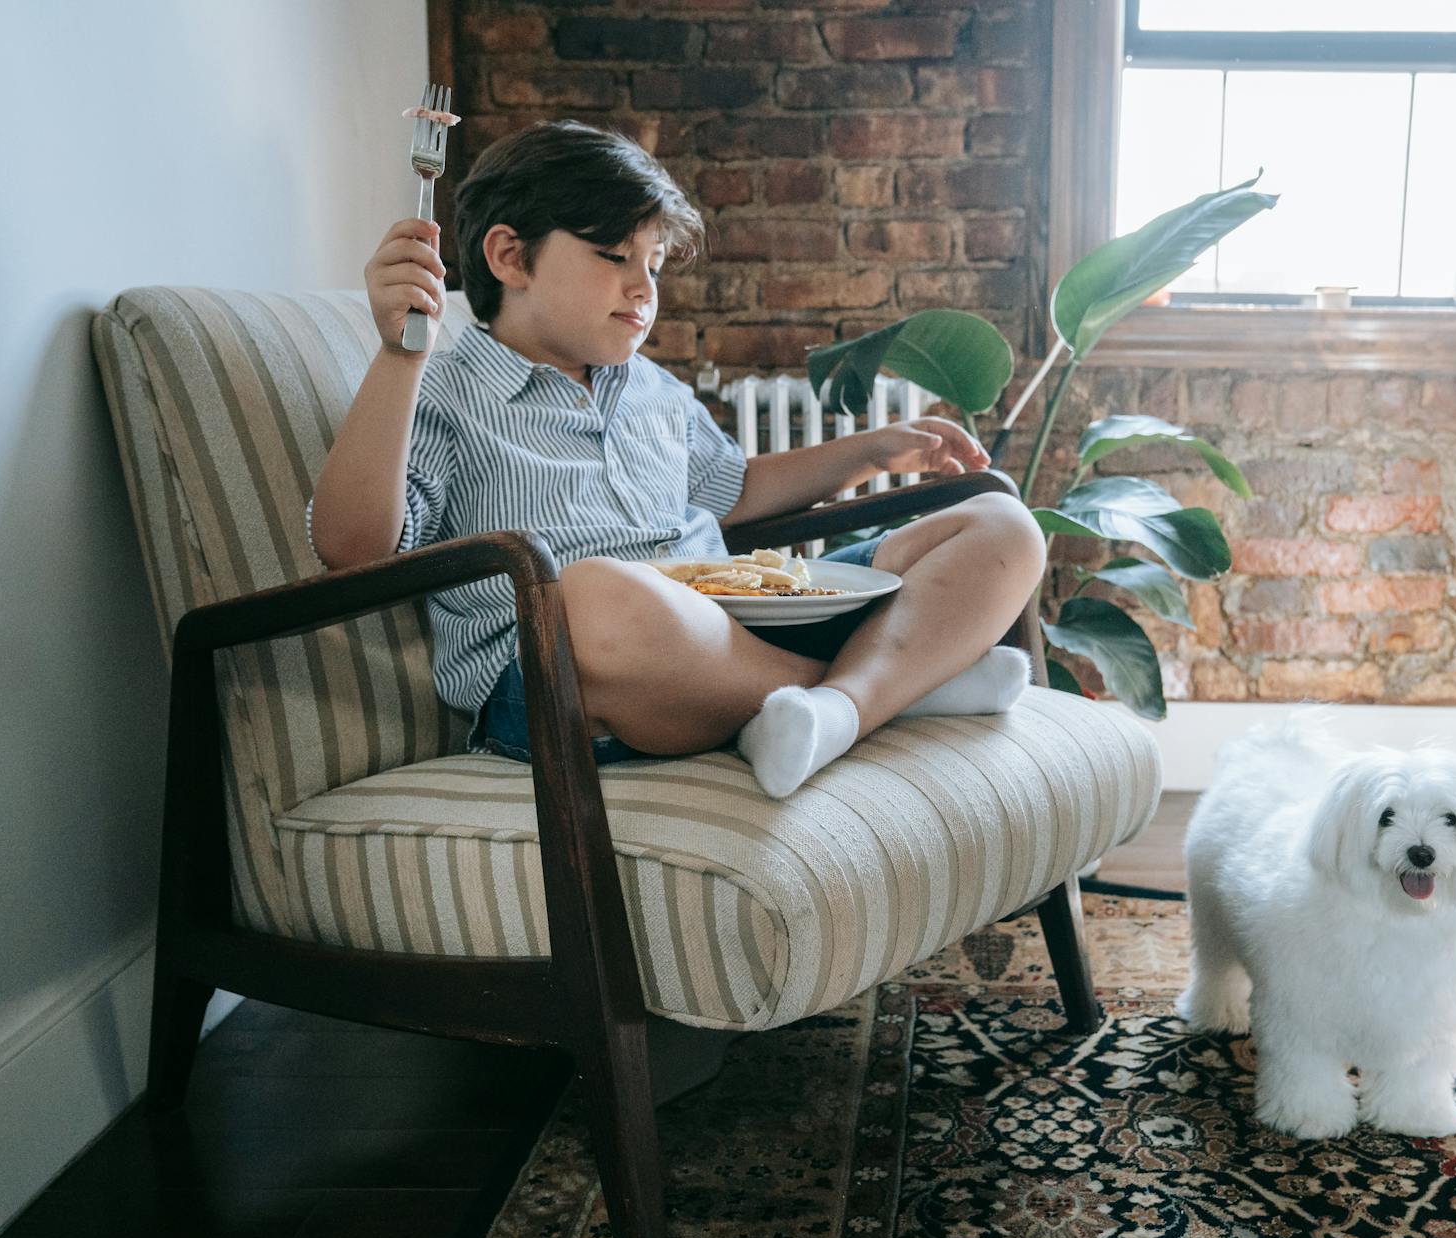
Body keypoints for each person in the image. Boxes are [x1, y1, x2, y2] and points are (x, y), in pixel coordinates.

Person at [307, 120, 1046, 798]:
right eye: (615, 255)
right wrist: (399, 354)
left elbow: (735, 490)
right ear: (509, 256)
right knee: (593, 595)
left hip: (737, 635)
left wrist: (875, 449)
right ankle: (889, 687)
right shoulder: (443, 392)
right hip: (571, 675)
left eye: (655, 263)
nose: (645, 287)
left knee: (1001, 523)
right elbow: (351, 546)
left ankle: (832, 706)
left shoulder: (652, 388)